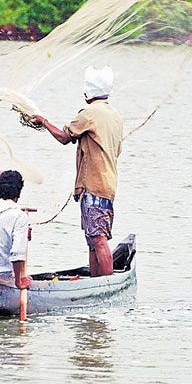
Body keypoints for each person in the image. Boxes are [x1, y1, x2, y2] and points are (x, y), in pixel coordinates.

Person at [33, 66, 123, 277]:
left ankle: (106, 284)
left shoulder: (89, 114)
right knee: (93, 239)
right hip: (108, 184)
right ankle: (95, 281)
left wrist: (43, 121)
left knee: (98, 239)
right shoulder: (115, 116)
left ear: (89, 90)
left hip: (95, 185)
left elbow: (64, 137)